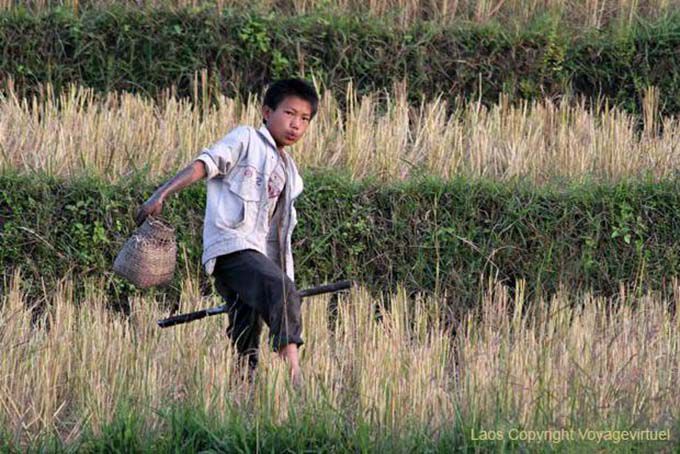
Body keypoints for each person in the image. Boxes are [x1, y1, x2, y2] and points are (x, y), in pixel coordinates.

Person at [135, 78, 319, 387]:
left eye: (304, 119)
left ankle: (242, 391)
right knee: (281, 290)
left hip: (257, 255)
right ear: (266, 112)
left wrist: (279, 280)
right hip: (231, 248)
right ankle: (295, 377)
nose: (296, 125)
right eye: (289, 113)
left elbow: (280, 234)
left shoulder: (291, 174)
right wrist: (161, 194)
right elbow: (204, 164)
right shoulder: (245, 139)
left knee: (246, 329)